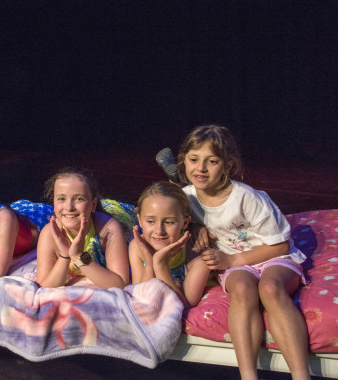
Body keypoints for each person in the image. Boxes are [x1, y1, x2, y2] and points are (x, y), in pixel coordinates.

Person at [177, 124, 310, 380]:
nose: (200, 168)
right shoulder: (186, 197)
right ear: (184, 161)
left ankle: (301, 375)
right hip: (236, 265)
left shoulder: (247, 197)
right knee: (242, 288)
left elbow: (280, 245)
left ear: (228, 165)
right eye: (193, 159)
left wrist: (232, 259)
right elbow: (176, 216)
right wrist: (196, 226)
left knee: (270, 289)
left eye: (211, 161)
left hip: (272, 255)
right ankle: (248, 376)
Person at [36, 168, 130, 288]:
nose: (69, 207)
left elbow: (120, 284)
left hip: (119, 212)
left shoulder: (108, 229)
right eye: (61, 199)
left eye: (79, 199)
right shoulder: (49, 233)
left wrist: (78, 256)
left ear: (93, 205)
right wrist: (65, 256)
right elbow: (44, 286)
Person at [129, 182, 210, 307]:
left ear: (185, 223)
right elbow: (139, 299)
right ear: (139, 220)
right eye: (150, 221)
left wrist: (160, 264)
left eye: (169, 222)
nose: (159, 230)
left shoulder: (195, 254)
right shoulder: (137, 247)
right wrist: (150, 262)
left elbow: (185, 305)